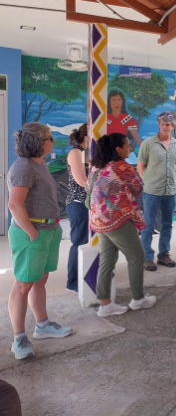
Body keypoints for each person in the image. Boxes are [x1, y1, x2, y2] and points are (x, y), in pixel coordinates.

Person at [7, 123, 73, 360]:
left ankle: (42, 325)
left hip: (49, 229)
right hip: (32, 231)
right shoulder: (23, 167)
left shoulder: (39, 164)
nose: (53, 141)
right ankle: (18, 338)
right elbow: (14, 204)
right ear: (37, 142)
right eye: (49, 138)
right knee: (23, 284)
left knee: (39, 280)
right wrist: (32, 233)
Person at [87, 133, 156, 317]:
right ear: (118, 149)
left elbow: (89, 187)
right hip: (117, 219)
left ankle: (105, 305)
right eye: (127, 145)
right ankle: (138, 299)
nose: (130, 148)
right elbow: (138, 188)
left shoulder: (96, 166)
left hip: (99, 221)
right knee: (137, 256)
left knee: (107, 260)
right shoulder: (122, 166)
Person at [137, 112, 176, 271]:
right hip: (151, 192)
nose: (166, 126)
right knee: (148, 225)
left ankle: (164, 254)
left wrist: (170, 179)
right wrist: (149, 182)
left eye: (169, 124)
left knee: (166, 224)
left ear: (173, 126)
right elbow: (140, 167)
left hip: (170, 192)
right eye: (163, 124)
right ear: (159, 125)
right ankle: (147, 257)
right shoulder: (148, 144)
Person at [65, 123, 89, 294]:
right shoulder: (76, 153)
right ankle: (73, 282)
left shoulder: (88, 153)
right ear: (88, 138)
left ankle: (90, 274)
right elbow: (82, 181)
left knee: (93, 241)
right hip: (78, 203)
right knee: (79, 241)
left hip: (90, 204)